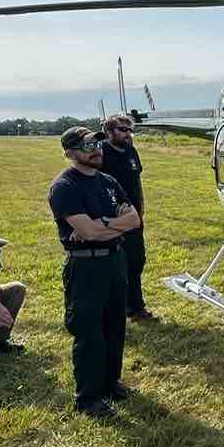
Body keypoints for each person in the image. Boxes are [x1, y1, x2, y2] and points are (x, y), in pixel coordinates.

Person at [48, 127, 140, 419]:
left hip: (115, 261)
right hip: (85, 266)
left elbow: (134, 219)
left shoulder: (109, 182)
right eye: (87, 145)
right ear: (70, 153)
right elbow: (87, 231)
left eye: (97, 142)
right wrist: (108, 225)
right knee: (89, 332)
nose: (96, 148)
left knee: (115, 325)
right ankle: (87, 397)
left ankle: (110, 383)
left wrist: (101, 225)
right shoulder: (64, 187)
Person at [100, 114, 157, 322]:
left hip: (134, 218)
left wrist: (141, 207)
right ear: (109, 131)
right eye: (122, 129)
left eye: (129, 130)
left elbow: (137, 180)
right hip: (113, 221)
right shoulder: (101, 154)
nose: (127, 133)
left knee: (136, 261)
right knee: (116, 267)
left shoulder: (131, 151)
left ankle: (135, 307)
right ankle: (115, 310)